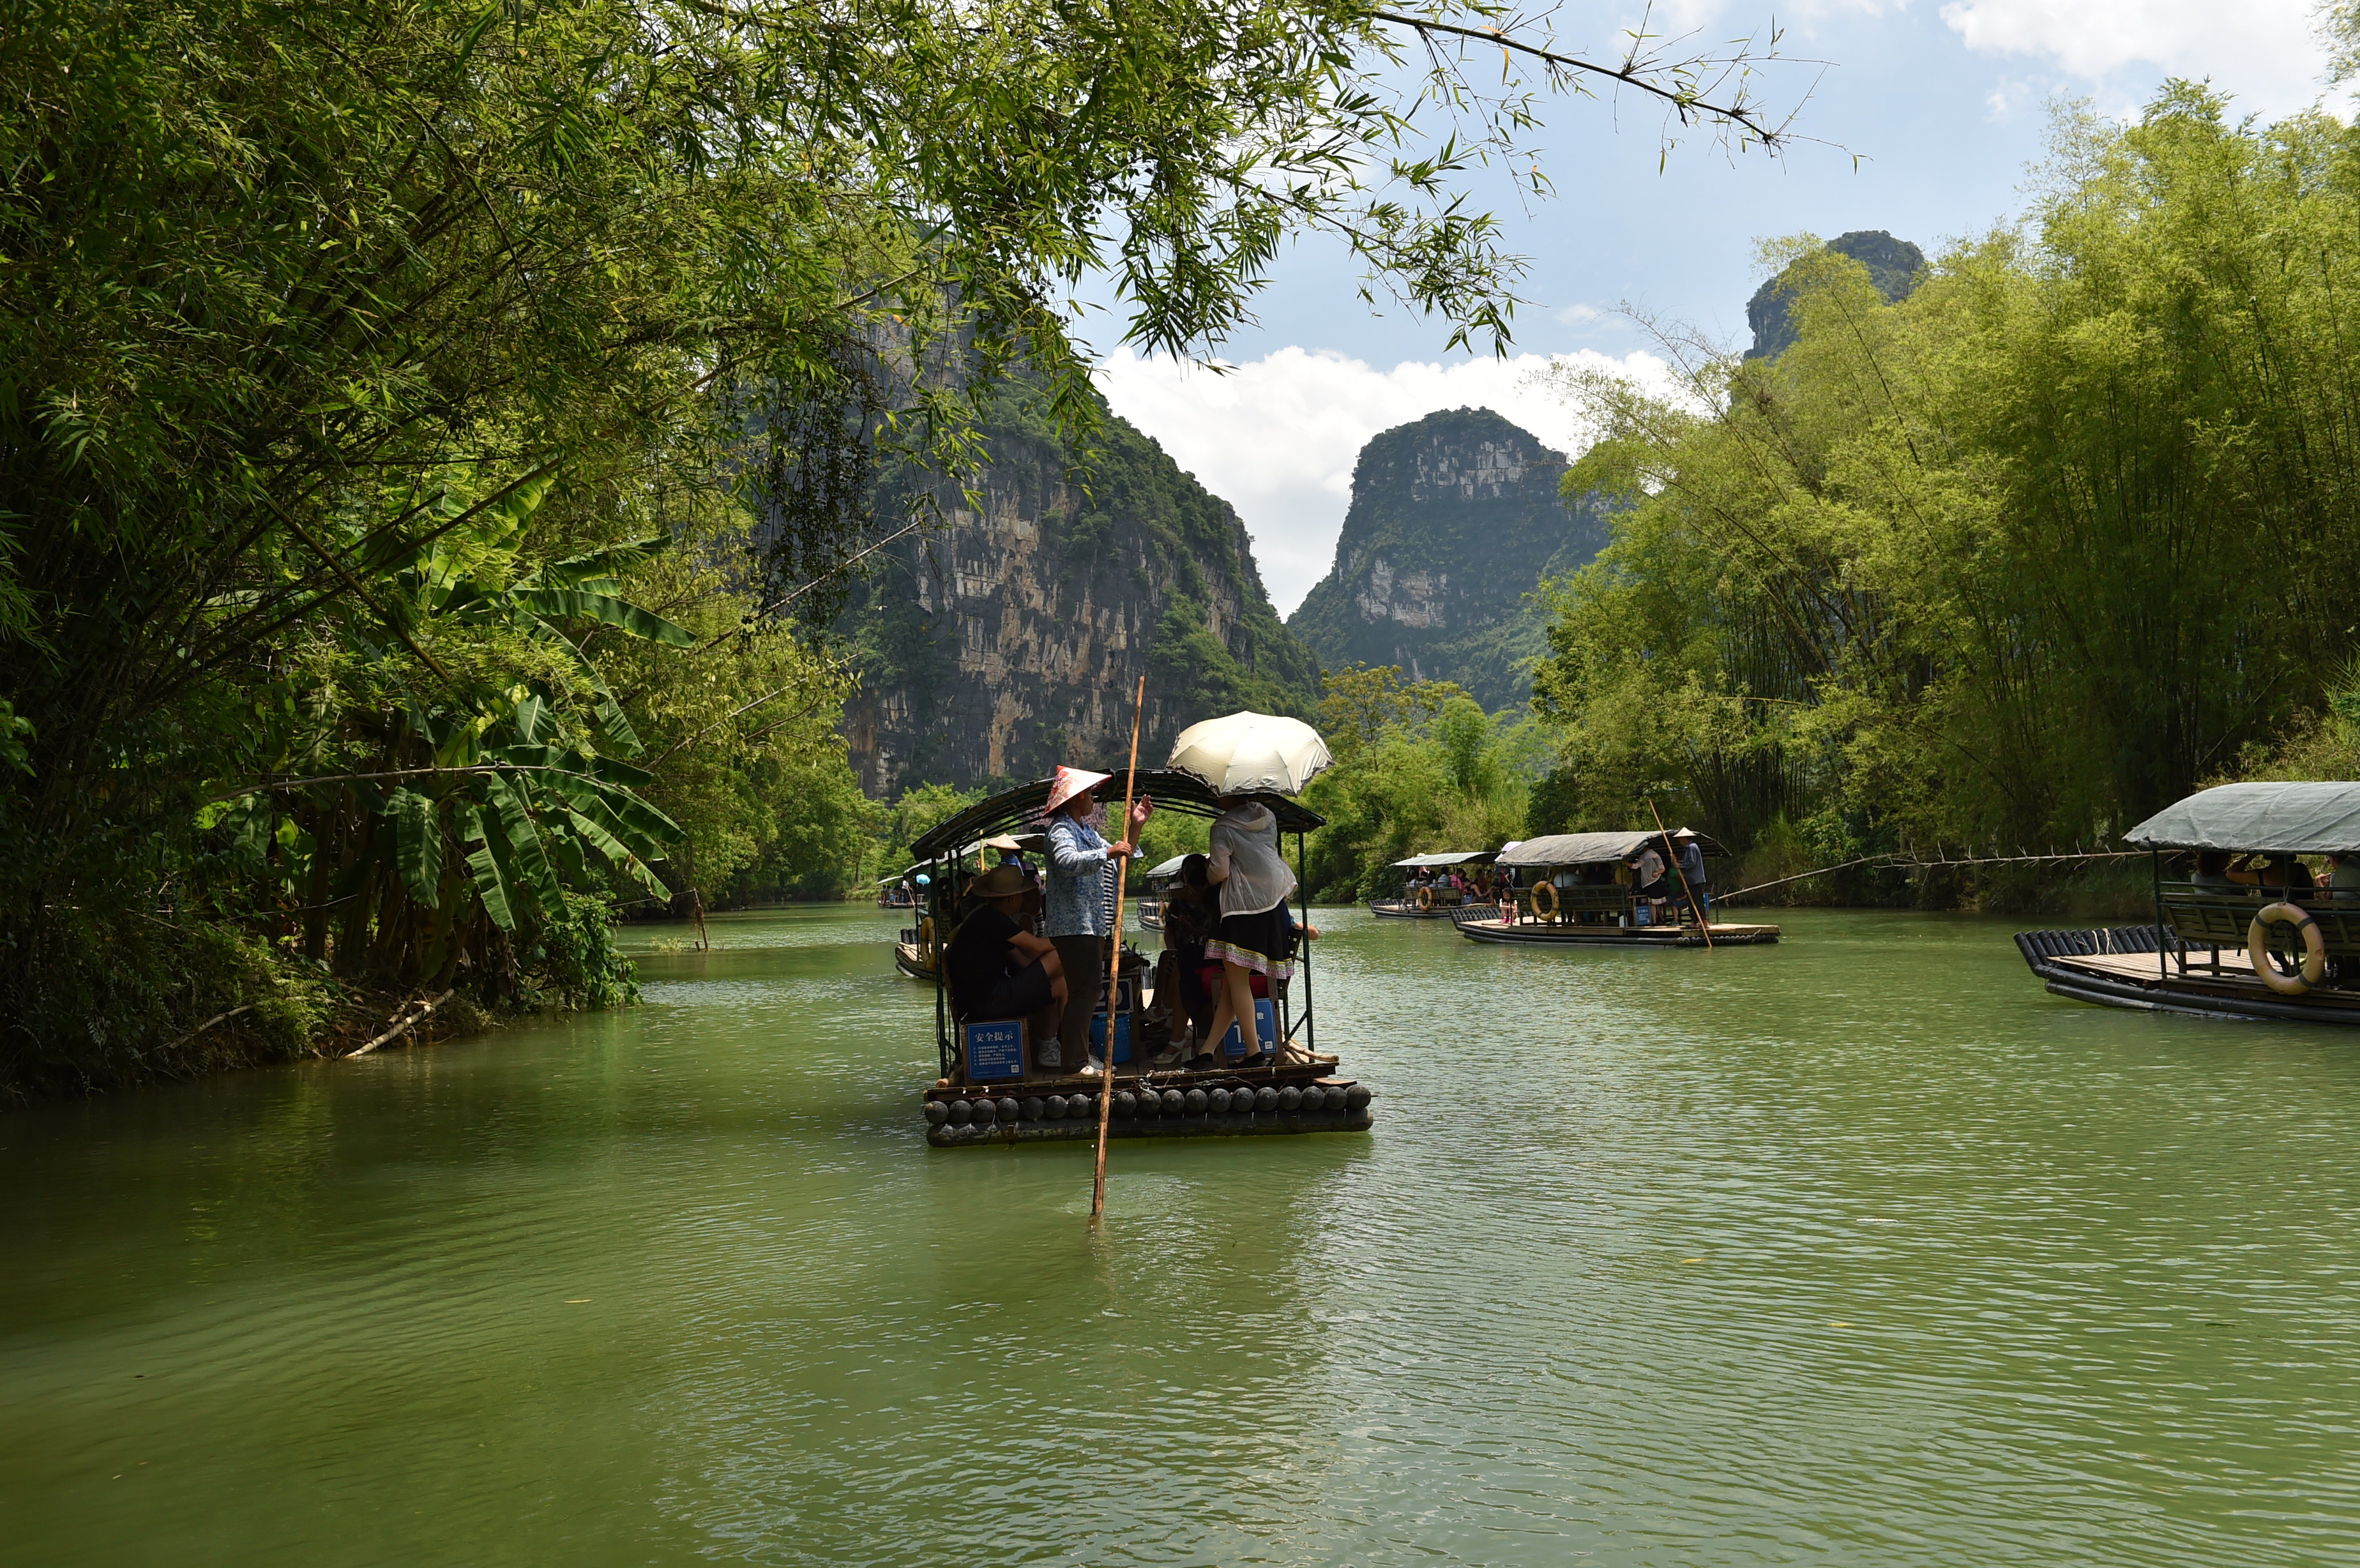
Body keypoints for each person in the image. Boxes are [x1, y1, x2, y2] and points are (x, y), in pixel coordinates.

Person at [1041, 765, 1151, 1076]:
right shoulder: (1061, 829)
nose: (1093, 798)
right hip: (1074, 925)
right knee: (1084, 991)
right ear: (1076, 798)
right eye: (1089, 793)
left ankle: (1079, 1058)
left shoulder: (1086, 831)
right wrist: (1109, 853)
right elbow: (1067, 862)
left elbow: (1120, 856)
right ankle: (1075, 1063)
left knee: (1089, 990)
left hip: (1091, 923)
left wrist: (1135, 826)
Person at [1199, 792, 1298, 1069]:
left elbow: (1220, 871)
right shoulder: (1268, 816)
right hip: (1274, 902)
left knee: (1237, 981)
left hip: (1242, 907)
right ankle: (1206, 1051)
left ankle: (1254, 1054)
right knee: (1235, 983)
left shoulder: (1222, 827)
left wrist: (1208, 872)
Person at [943, 865, 1066, 1061]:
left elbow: (1024, 962)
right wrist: (1072, 940)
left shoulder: (987, 917)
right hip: (989, 1001)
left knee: (1062, 983)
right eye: (1022, 896)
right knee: (1059, 955)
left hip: (988, 998)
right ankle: (1070, 1048)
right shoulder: (992, 919)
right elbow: (1039, 946)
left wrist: (1047, 973)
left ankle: (1051, 1047)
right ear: (1012, 898)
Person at [1674, 830, 1711, 922]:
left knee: (1698, 901)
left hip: (1696, 880)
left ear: (1685, 838)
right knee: (1691, 902)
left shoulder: (1692, 847)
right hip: (1691, 880)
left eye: (1681, 839)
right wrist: (1676, 861)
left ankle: (1704, 921)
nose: (1680, 841)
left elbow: (1692, 862)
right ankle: (1694, 921)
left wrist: (1681, 866)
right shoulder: (1688, 849)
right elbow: (1687, 862)